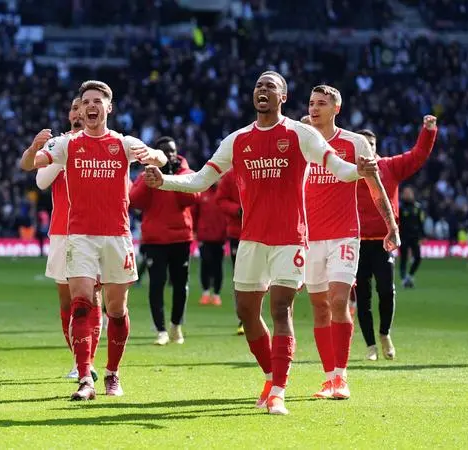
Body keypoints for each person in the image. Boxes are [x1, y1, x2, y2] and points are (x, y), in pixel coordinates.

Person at [144, 71, 377, 415]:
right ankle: (270, 376)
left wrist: (360, 169)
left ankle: (279, 390)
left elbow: (340, 169)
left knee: (281, 309)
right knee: (246, 312)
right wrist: (163, 181)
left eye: (271, 86)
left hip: (290, 238)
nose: (262, 89)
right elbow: (201, 180)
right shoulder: (237, 140)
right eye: (258, 85)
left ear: (283, 97)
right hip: (251, 239)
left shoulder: (301, 134)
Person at [20, 80, 168, 401]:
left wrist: (153, 154)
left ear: (108, 107)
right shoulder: (68, 144)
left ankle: (112, 373)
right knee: (82, 305)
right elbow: (29, 165)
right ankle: (85, 377)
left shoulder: (123, 143)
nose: (90, 105)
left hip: (117, 236)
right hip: (80, 237)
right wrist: (33, 148)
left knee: (116, 309)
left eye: (97, 101)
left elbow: (160, 158)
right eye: (86, 101)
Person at [301, 85, 399, 401]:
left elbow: (375, 186)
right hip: (309, 238)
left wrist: (392, 226)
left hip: (344, 234)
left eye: (322, 103)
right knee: (319, 307)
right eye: (311, 103)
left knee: (339, 300)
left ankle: (341, 378)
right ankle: (328, 377)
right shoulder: (301, 140)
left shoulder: (355, 143)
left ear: (336, 109)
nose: (314, 108)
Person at [354, 116, 437, 361]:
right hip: (355, 242)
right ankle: (370, 346)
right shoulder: (346, 171)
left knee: (386, 291)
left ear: (376, 147)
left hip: (384, 241)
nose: (367, 148)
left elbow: (418, 155)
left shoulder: (390, 166)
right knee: (363, 296)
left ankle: (384, 334)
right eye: (362, 144)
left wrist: (428, 131)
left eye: (371, 144)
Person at [35, 97, 101, 380]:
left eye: (82, 107)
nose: (78, 112)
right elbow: (41, 181)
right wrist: (66, 150)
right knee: (66, 302)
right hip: (62, 231)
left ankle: (88, 363)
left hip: (95, 231)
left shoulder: (104, 144)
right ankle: (78, 360)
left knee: (92, 298)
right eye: (74, 108)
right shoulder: (58, 145)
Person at [130, 136, 198, 345]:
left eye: (172, 151)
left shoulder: (185, 173)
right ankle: (161, 330)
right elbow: (135, 201)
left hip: (180, 238)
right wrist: (149, 179)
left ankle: (176, 326)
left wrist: (170, 179)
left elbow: (192, 198)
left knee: (180, 285)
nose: (169, 154)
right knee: (156, 285)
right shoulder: (146, 175)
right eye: (165, 151)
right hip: (155, 239)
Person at [216, 171, 245, 335]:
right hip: (238, 234)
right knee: (240, 277)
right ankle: (244, 318)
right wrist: (238, 210)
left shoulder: (266, 169)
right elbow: (220, 199)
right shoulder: (231, 175)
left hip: (263, 232)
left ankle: (253, 316)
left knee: (262, 278)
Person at [194, 181, 227, 308]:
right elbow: (195, 213)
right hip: (204, 236)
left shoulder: (223, 193)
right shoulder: (202, 192)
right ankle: (206, 292)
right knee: (205, 263)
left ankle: (216, 294)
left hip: (220, 237)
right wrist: (194, 230)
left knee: (218, 266)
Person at [398, 186, 424, 288]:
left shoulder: (418, 207)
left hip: (415, 237)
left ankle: (410, 276)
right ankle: (404, 279)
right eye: (406, 193)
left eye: (409, 193)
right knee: (403, 258)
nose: (408, 195)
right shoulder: (400, 207)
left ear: (413, 194)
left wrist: (422, 235)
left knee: (418, 257)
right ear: (402, 195)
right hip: (403, 236)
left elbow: (420, 222)